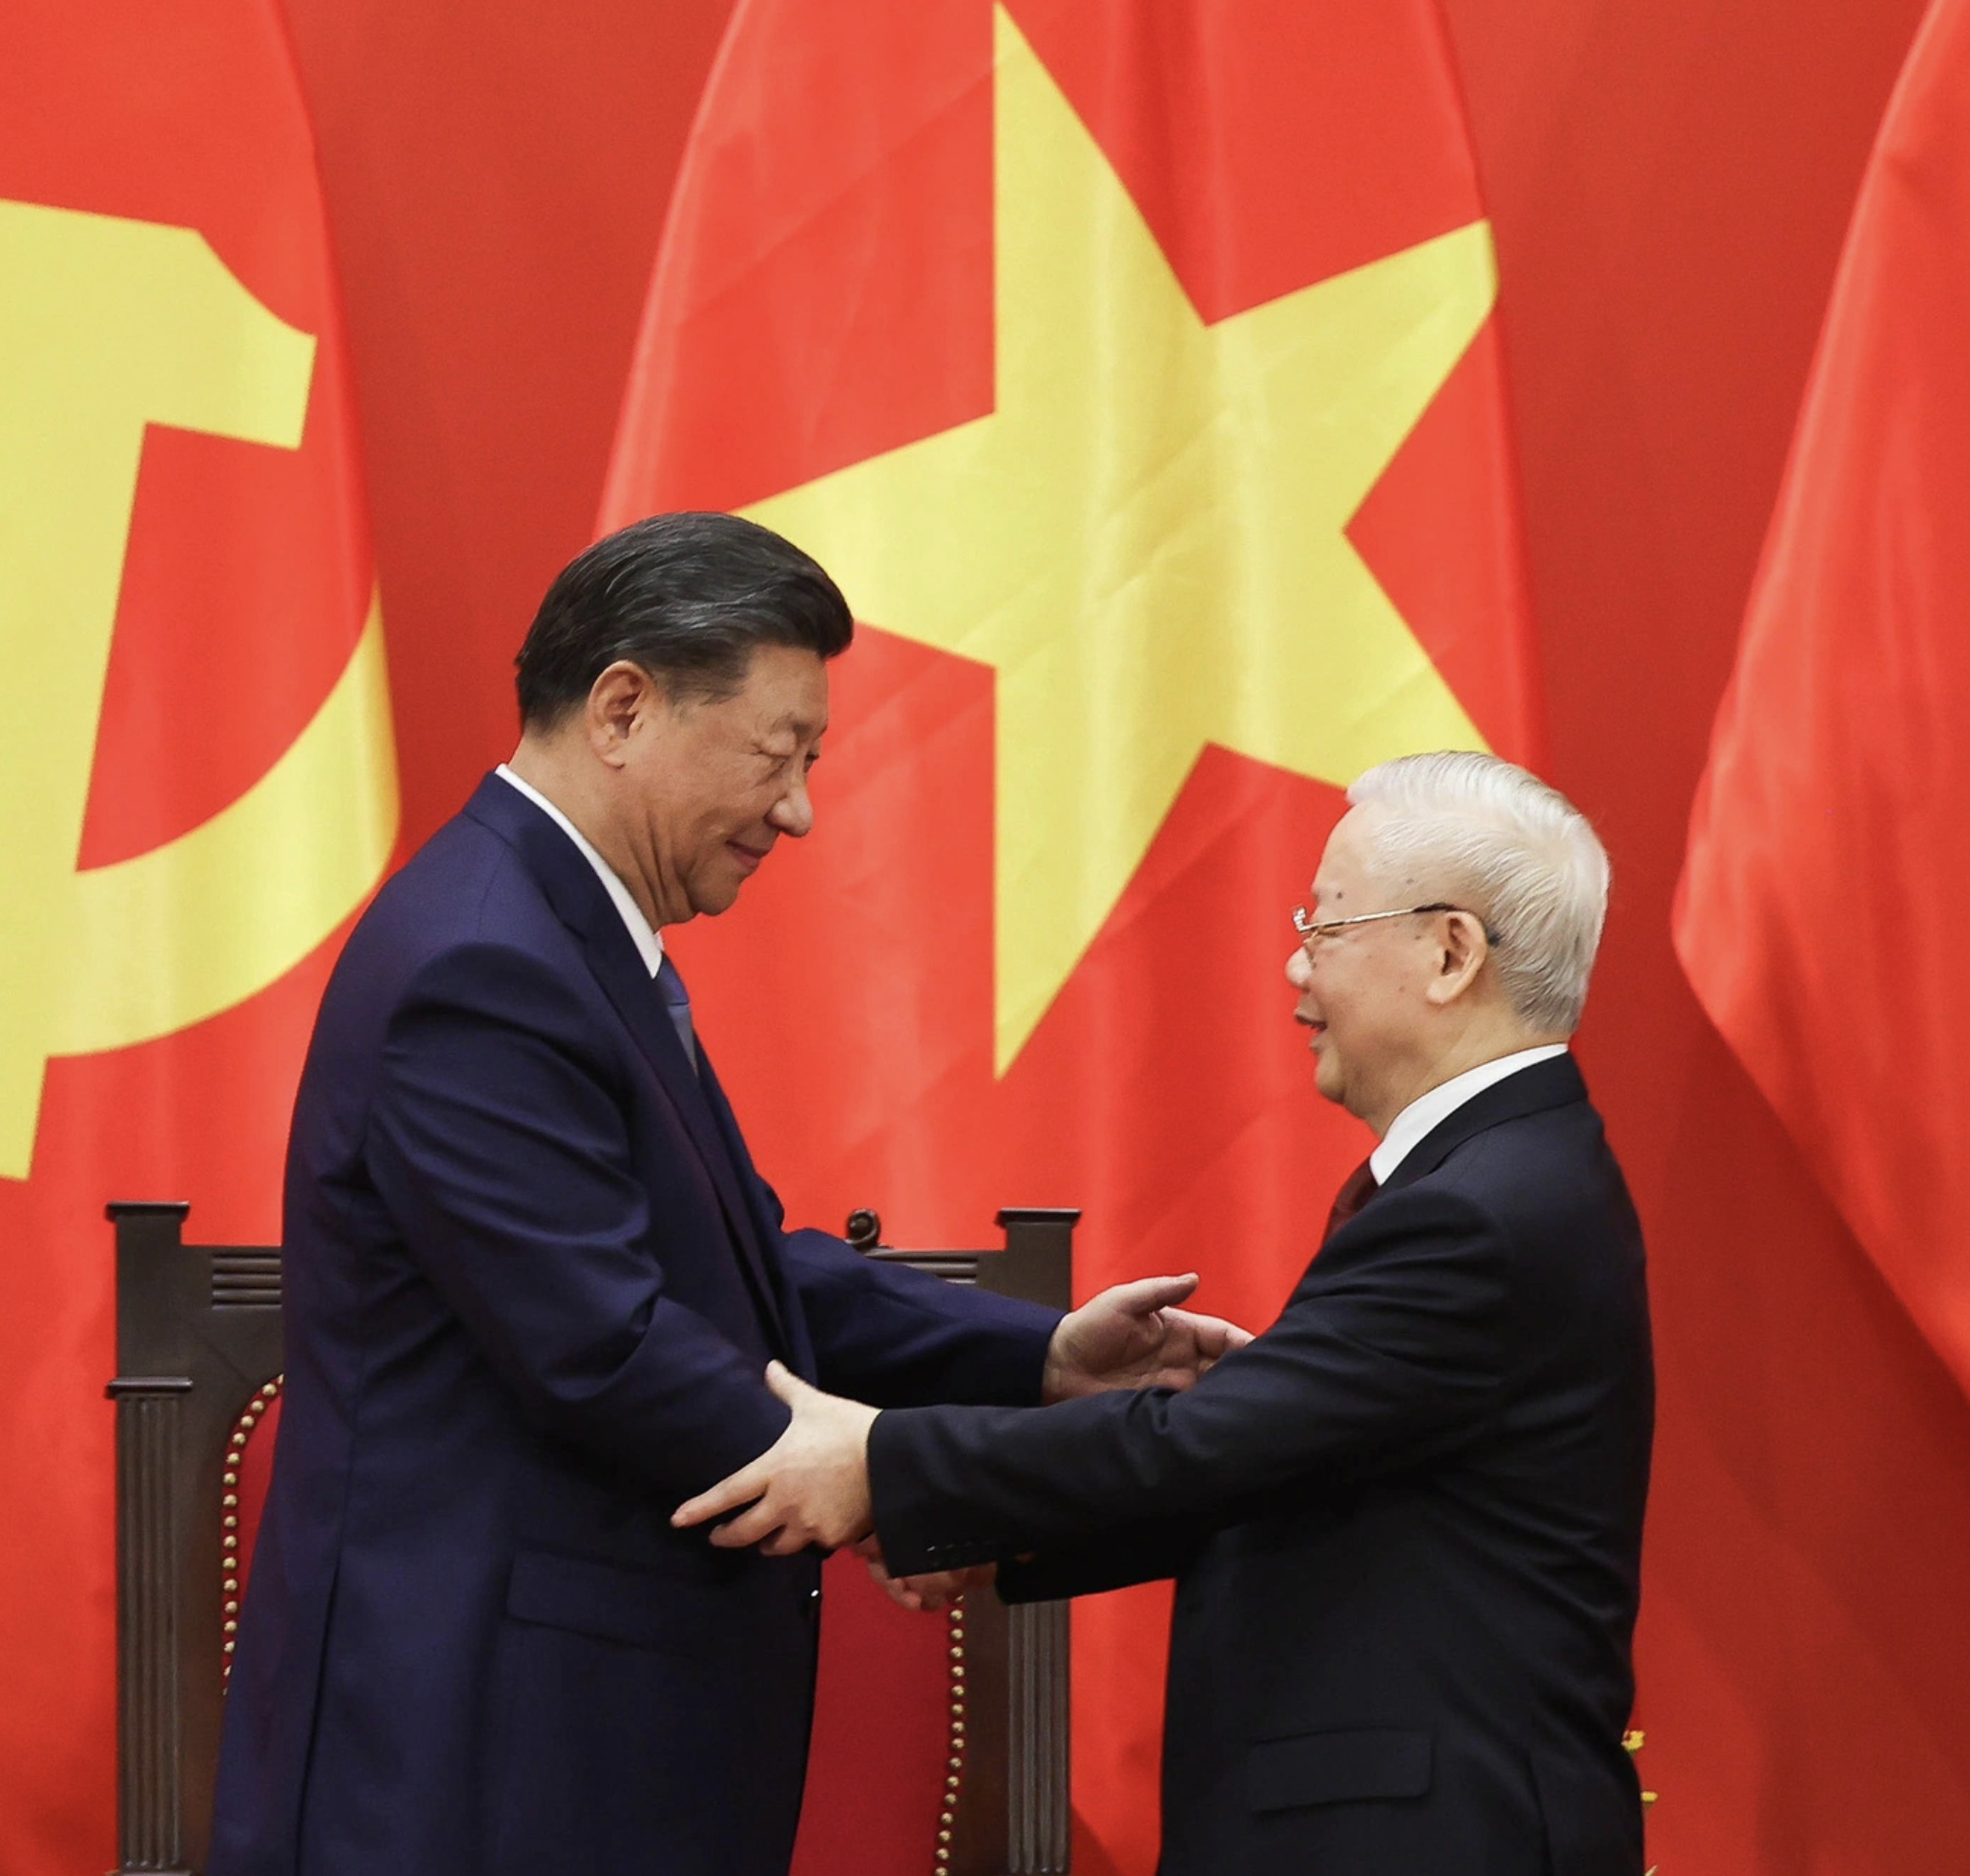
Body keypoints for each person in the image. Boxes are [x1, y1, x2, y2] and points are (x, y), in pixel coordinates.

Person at [209, 511, 1246, 1876]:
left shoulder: (560, 932)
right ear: (624, 707)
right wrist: (903, 1477)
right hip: (478, 1759)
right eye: (780, 754)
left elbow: (748, 1270)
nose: (801, 808)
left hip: (577, 1739)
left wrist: (1039, 1355)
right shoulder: (483, 961)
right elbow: (609, 1343)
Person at [680, 751, 1653, 1875]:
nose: (1294, 966)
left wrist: (880, 1462)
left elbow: (1204, 1450)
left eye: (1323, 926)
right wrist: (971, 1534)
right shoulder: (1500, 1175)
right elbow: (1284, 1467)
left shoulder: (1480, 1212)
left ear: (1447, 954)